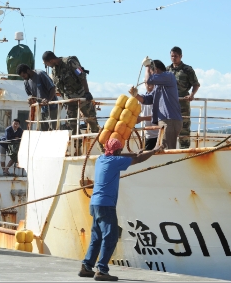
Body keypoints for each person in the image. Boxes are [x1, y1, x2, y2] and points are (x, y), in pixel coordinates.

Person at [78, 138, 164, 281]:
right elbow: (139, 159)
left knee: (97, 237)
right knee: (110, 237)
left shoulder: (101, 159)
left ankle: (87, 267)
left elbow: (123, 156)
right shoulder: (115, 162)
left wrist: (133, 153)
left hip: (95, 204)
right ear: (118, 151)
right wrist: (154, 151)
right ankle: (102, 270)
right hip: (106, 205)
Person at [42, 51, 104, 154]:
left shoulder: (70, 62)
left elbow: (82, 75)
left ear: (51, 60)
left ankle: (102, 147)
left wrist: (87, 92)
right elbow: (57, 87)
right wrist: (50, 99)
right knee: (73, 125)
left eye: (46, 63)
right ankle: (78, 149)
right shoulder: (55, 71)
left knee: (92, 122)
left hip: (82, 97)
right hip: (70, 101)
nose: (47, 66)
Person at [129, 60, 182, 149]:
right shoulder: (159, 86)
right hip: (166, 121)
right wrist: (136, 95)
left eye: (151, 72)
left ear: (156, 70)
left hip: (170, 120)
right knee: (163, 149)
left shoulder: (169, 76)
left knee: (167, 150)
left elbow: (149, 80)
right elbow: (147, 99)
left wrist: (147, 66)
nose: (151, 74)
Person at [166, 46, 200, 148]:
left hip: (183, 104)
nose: (173, 58)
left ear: (181, 56)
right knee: (169, 127)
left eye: (176, 56)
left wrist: (192, 95)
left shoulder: (187, 70)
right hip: (170, 104)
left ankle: (184, 150)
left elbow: (196, 84)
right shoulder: (167, 70)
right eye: (172, 56)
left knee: (184, 129)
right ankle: (169, 150)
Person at [16, 63, 58, 131]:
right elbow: (31, 95)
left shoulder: (40, 74)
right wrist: (30, 99)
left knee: (54, 129)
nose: (24, 78)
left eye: (24, 75)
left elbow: (52, 87)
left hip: (52, 107)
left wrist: (48, 100)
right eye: (22, 77)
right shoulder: (26, 81)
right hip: (42, 109)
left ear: (28, 71)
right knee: (43, 130)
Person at [137, 82, 159, 150]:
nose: (150, 86)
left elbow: (159, 116)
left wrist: (141, 119)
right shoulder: (141, 99)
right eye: (148, 83)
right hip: (148, 134)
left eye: (152, 83)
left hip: (159, 134)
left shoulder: (159, 99)